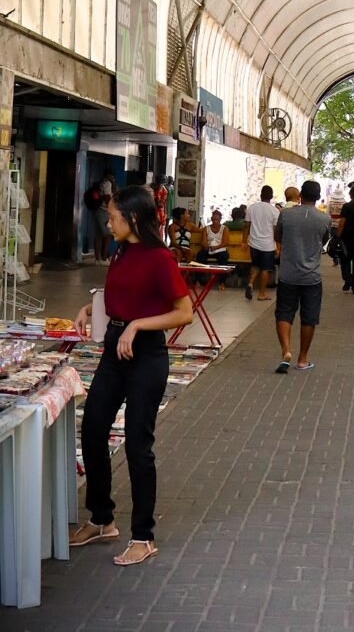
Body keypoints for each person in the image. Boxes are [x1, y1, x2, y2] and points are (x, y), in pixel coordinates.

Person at [70, 185, 193, 566]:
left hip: (146, 356)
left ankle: (143, 536)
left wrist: (137, 325)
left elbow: (183, 312)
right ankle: (102, 519)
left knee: (138, 443)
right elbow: (117, 294)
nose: (108, 222)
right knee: (92, 430)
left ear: (134, 218)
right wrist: (90, 309)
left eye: (113, 217)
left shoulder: (160, 258)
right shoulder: (121, 250)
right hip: (114, 349)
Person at [272, 180, 332, 373]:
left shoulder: (286, 215)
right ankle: (303, 358)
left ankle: (286, 351)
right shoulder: (324, 219)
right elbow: (324, 240)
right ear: (318, 196)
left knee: (284, 313)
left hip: (288, 274)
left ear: (300, 196)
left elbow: (278, 237)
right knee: (309, 318)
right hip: (311, 277)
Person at [244, 185, 279, 301]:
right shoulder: (274, 211)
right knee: (266, 269)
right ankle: (262, 293)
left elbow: (246, 227)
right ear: (271, 196)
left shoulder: (252, 208)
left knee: (255, 265)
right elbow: (275, 230)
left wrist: (244, 241)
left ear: (261, 195)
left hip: (253, 243)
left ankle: (250, 283)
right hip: (267, 245)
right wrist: (277, 246)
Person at [197, 210, 231, 289]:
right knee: (200, 255)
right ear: (211, 219)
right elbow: (203, 242)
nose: (215, 221)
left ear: (220, 220)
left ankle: (222, 282)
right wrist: (207, 246)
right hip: (209, 248)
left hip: (220, 249)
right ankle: (198, 280)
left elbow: (226, 242)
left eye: (217, 220)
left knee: (224, 257)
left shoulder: (224, 228)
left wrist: (216, 247)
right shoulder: (206, 228)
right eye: (214, 219)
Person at [94, 172, 116, 264]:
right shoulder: (108, 183)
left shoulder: (101, 183)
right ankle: (104, 258)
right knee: (108, 235)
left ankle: (97, 259)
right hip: (104, 211)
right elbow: (107, 197)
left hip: (99, 211)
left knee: (99, 235)